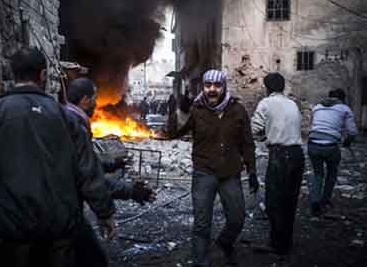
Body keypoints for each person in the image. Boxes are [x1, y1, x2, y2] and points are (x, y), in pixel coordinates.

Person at [0, 47, 116, 267]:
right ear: (42, 75)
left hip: (9, 230)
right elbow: (88, 171)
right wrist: (104, 213)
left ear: (12, 74)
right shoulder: (65, 117)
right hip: (58, 230)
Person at [170, 69, 259, 267]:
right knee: (202, 224)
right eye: (208, 85)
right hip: (204, 172)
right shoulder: (196, 109)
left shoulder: (238, 110)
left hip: (230, 173)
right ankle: (201, 261)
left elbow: (247, 143)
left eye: (217, 86)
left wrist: (252, 170)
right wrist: (181, 111)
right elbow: (174, 132)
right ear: (203, 86)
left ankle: (223, 244)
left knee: (237, 218)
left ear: (224, 87)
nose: (212, 90)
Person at [64, 78, 156, 267]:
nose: (97, 103)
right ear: (85, 100)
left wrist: (111, 164)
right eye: (95, 98)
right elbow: (89, 177)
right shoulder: (75, 125)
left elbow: (81, 162)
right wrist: (109, 210)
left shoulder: (59, 117)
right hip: (62, 213)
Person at [251, 72, 304, 260]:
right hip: (298, 154)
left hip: (280, 156)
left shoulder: (266, 103)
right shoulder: (293, 104)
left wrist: (263, 137)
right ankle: (286, 242)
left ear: (267, 88)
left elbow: (255, 128)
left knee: (274, 200)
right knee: (290, 200)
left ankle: (276, 244)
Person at [307, 88, 358, 216]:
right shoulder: (345, 109)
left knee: (317, 173)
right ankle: (325, 200)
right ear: (342, 99)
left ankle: (314, 202)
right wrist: (347, 142)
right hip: (331, 146)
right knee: (332, 172)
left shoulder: (317, 107)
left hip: (313, 144)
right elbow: (352, 132)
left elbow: (313, 125)